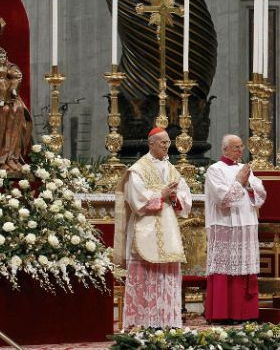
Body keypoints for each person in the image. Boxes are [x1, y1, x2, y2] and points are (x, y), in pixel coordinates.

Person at [113, 127, 193, 328]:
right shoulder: (138, 169)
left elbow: (185, 196)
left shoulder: (171, 169)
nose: (167, 146)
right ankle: (144, 322)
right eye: (162, 143)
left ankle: (167, 322)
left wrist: (175, 199)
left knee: (167, 275)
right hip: (145, 227)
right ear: (151, 144)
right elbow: (136, 200)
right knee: (146, 276)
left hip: (168, 228)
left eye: (168, 143)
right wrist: (162, 195)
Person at [203, 134, 266, 323]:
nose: (240, 150)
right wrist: (239, 182)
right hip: (225, 224)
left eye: (241, 147)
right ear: (225, 149)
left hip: (246, 223)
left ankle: (246, 313)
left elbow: (260, 191)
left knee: (244, 268)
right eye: (236, 147)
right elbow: (222, 198)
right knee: (225, 268)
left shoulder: (245, 168)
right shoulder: (215, 170)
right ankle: (224, 313)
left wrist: (248, 183)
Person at [0, 12, 33, 172]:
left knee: (16, 107)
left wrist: (15, 72)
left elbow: (8, 65)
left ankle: (8, 156)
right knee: (0, 110)